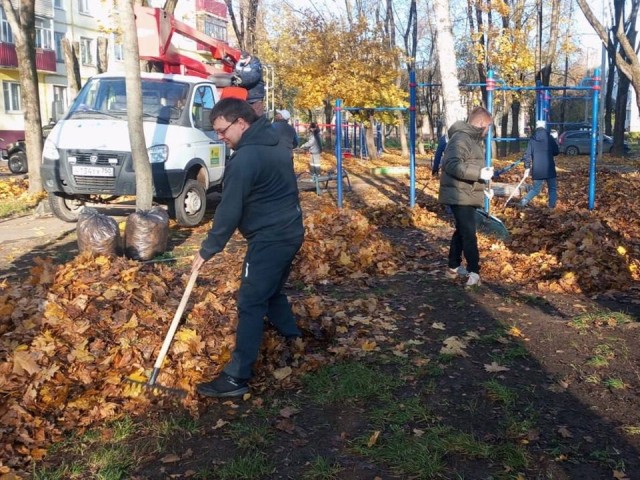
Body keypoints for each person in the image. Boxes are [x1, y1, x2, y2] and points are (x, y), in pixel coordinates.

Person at [191, 98, 304, 398]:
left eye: (222, 130)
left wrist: (207, 250)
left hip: (271, 238)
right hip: (292, 230)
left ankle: (236, 378)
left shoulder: (246, 158)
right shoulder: (277, 142)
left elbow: (229, 211)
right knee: (272, 291)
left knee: (251, 301)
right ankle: (293, 337)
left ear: (241, 122)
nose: (220, 137)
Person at [438, 106, 494, 287]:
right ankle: (474, 272)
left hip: (466, 193)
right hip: (459, 194)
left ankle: (453, 267)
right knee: (469, 234)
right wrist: (479, 174)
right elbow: (452, 164)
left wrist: (484, 186)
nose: (488, 131)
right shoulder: (461, 138)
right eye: (488, 126)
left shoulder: (470, 139)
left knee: (462, 231)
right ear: (480, 123)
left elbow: (469, 166)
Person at [519, 120, 559, 208]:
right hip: (549, 168)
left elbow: (527, 154)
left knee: (536, 189)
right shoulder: (550, 138)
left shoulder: (532, 139)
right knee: (552, 189)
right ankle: (551, 207)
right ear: (544, 127)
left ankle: (523, 201)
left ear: (536, 127)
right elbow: (556, 152)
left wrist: (527, 166)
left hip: (538, 169)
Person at [232, 51, 266, 116]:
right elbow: (235, 72)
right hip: (244, 96)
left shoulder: (256, 65)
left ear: (248, 57)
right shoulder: (239, 64)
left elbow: (253, 77)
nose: (242, 62)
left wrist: (241, 81)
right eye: (241, 59)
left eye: (244, 60)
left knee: (256, 117)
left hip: (255, 97)